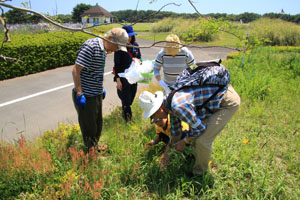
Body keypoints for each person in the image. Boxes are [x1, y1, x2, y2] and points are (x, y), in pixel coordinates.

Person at [138, 84, 240, 176]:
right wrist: (167, 154)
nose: (155, 119)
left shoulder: (177, 106)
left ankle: (199, 175)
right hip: (213, 100)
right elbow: (175, 133)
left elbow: (200, 129)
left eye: (153, 116)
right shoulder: (169, 105)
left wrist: (184, 141)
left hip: (226, 101)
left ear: (159, 109)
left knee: (202, 141)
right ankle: (195, 160)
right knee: (194, 136)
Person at [72, 28, 129, 151]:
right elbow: (76, 70)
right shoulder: (91, 47)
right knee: (89, 126)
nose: (116, 50)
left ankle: (95, 146)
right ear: (109, 39)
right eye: (116, 46)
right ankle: (90, 153)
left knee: (98, 124)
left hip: (96, 92)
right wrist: (79, 93)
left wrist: (100, 87)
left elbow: (95, 70)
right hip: (86, 95)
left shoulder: (104, 50)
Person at [113, 25, 141, 122]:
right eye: (127, 36)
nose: (129, 38)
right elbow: (116, 65)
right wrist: (118, 80)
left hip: (133, 77)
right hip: (123, 78)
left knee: (131, 98)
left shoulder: (135, 46)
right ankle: (128, 120)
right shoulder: (119, 48)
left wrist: (137, 60)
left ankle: (125, 111)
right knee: (126, 101)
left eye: (131, 36)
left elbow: (140, 59)